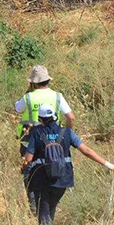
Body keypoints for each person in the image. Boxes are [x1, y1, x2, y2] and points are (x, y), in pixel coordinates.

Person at [22, 104, 114, 225]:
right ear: (55, 117)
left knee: (43, 212)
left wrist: (24, 167)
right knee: (50, 208)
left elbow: (28, 159)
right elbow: (86, 151)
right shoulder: (67, 132)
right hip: (63, 179)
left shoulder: (37, 133)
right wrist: (111, 166)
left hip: (41, 180)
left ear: (40, 118)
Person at [15, 65, 76, 214]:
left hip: (29, 140)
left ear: (33, 82)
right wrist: (67, 134)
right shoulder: (57, 96)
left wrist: (28, 91)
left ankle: (34, 205)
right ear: (48, 80)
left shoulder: (28, 97)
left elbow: (17, 108)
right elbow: (71, 117)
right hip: (53, 142)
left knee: (29, 171)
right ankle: (48, 204)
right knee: (51, 168)